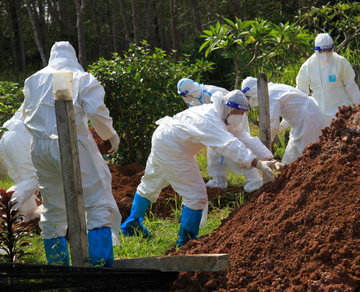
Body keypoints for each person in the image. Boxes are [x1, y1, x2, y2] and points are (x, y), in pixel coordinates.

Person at [121, 90, 278, 247]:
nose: (241, 116)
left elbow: (244, 138)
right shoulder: (210, 119)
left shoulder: (225, 116)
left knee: (152, 182)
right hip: (172, 146)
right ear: (228, 108)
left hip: (165, 138)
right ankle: (185, 242)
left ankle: (131, 224)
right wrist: (257, 163)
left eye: (243, 113)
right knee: (195, 195)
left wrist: (269, 159)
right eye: (238, 112)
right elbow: (230, 146)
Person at [22, 41, 121, 267]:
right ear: (74, 57)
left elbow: (26, 112)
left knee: (53, 206)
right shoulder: (82, 78)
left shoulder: (32, 80)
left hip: (39, 148)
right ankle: (99, 266)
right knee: (97, 199)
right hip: (71, 143)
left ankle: (58, 268)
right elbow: (97, 111)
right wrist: (110, 135)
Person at [177, 78, 263, 193]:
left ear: (191, 91)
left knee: (239, 147)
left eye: (185, 95)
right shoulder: (194, 100)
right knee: (214, 151)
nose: (185, 98)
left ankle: (254, 180)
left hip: (234, 119)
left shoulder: (211, 93)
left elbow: (231, 109)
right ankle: (218, 180)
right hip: (217, 127)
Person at [241, 77, 325, 164]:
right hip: (305, 120)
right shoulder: (273, 90)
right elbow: (291, 110)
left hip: (309, 121)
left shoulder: (270, 95)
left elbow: (272, 123)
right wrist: (279, 129)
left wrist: (268, 144)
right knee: (290, 159)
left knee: (308, 157)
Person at [295, 33, 360, 125]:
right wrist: (297, 114)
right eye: (322, 51)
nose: (325, 54)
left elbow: (351, 86)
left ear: (332, 48)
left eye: (328, 50)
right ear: (316, 50)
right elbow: (301, 91)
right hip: (319, 109)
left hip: (341, 107)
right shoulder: (308, 65)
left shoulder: (340, 62)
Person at [0, 104, 41, 222]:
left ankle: (25, 219)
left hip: (7, 134)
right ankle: (6, 203)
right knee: (33, 178)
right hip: (21, 134)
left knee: (22, 181)